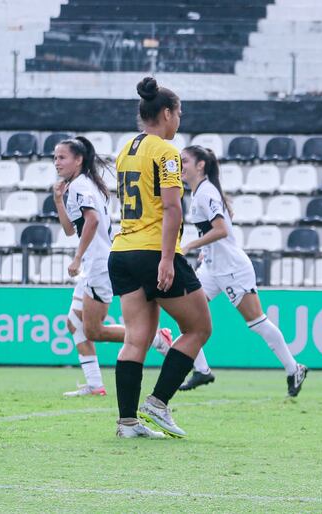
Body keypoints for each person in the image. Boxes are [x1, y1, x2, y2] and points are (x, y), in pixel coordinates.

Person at [108, 76, 212, 438]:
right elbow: (171, 207)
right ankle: (158, 402)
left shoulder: (126, 149)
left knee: (136, 337)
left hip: (122, 250)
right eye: (179, 112)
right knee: (198, 328)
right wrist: (167, 259)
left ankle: (127, 422)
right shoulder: (167, 151)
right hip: (153, 250)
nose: (179, 119)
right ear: (166, 113)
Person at [178, 145, 308, 396]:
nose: (180, 166)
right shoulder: (200, 193)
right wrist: (205, 252)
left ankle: (294, 369)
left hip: (232, 269)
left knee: (257, 322)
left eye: (184, 161)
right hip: (212, 268)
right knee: (185, 313)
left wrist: (190, 246)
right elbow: (215, 231)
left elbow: (221, 230)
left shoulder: (206, 193)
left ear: (200, 165)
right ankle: (201, 370)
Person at [52, 136, 173, 397]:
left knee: (94, 330)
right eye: (55, 157)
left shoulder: (81, 186)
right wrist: (59, 201)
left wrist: (77, 257)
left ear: (79, 159)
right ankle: (95, 385)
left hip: (97, 266)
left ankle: (155, 339)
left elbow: (92, 220)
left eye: (62, 157)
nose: (56, 162)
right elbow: (71, 229)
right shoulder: (80, 185)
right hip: (92, 265)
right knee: (74, 322)